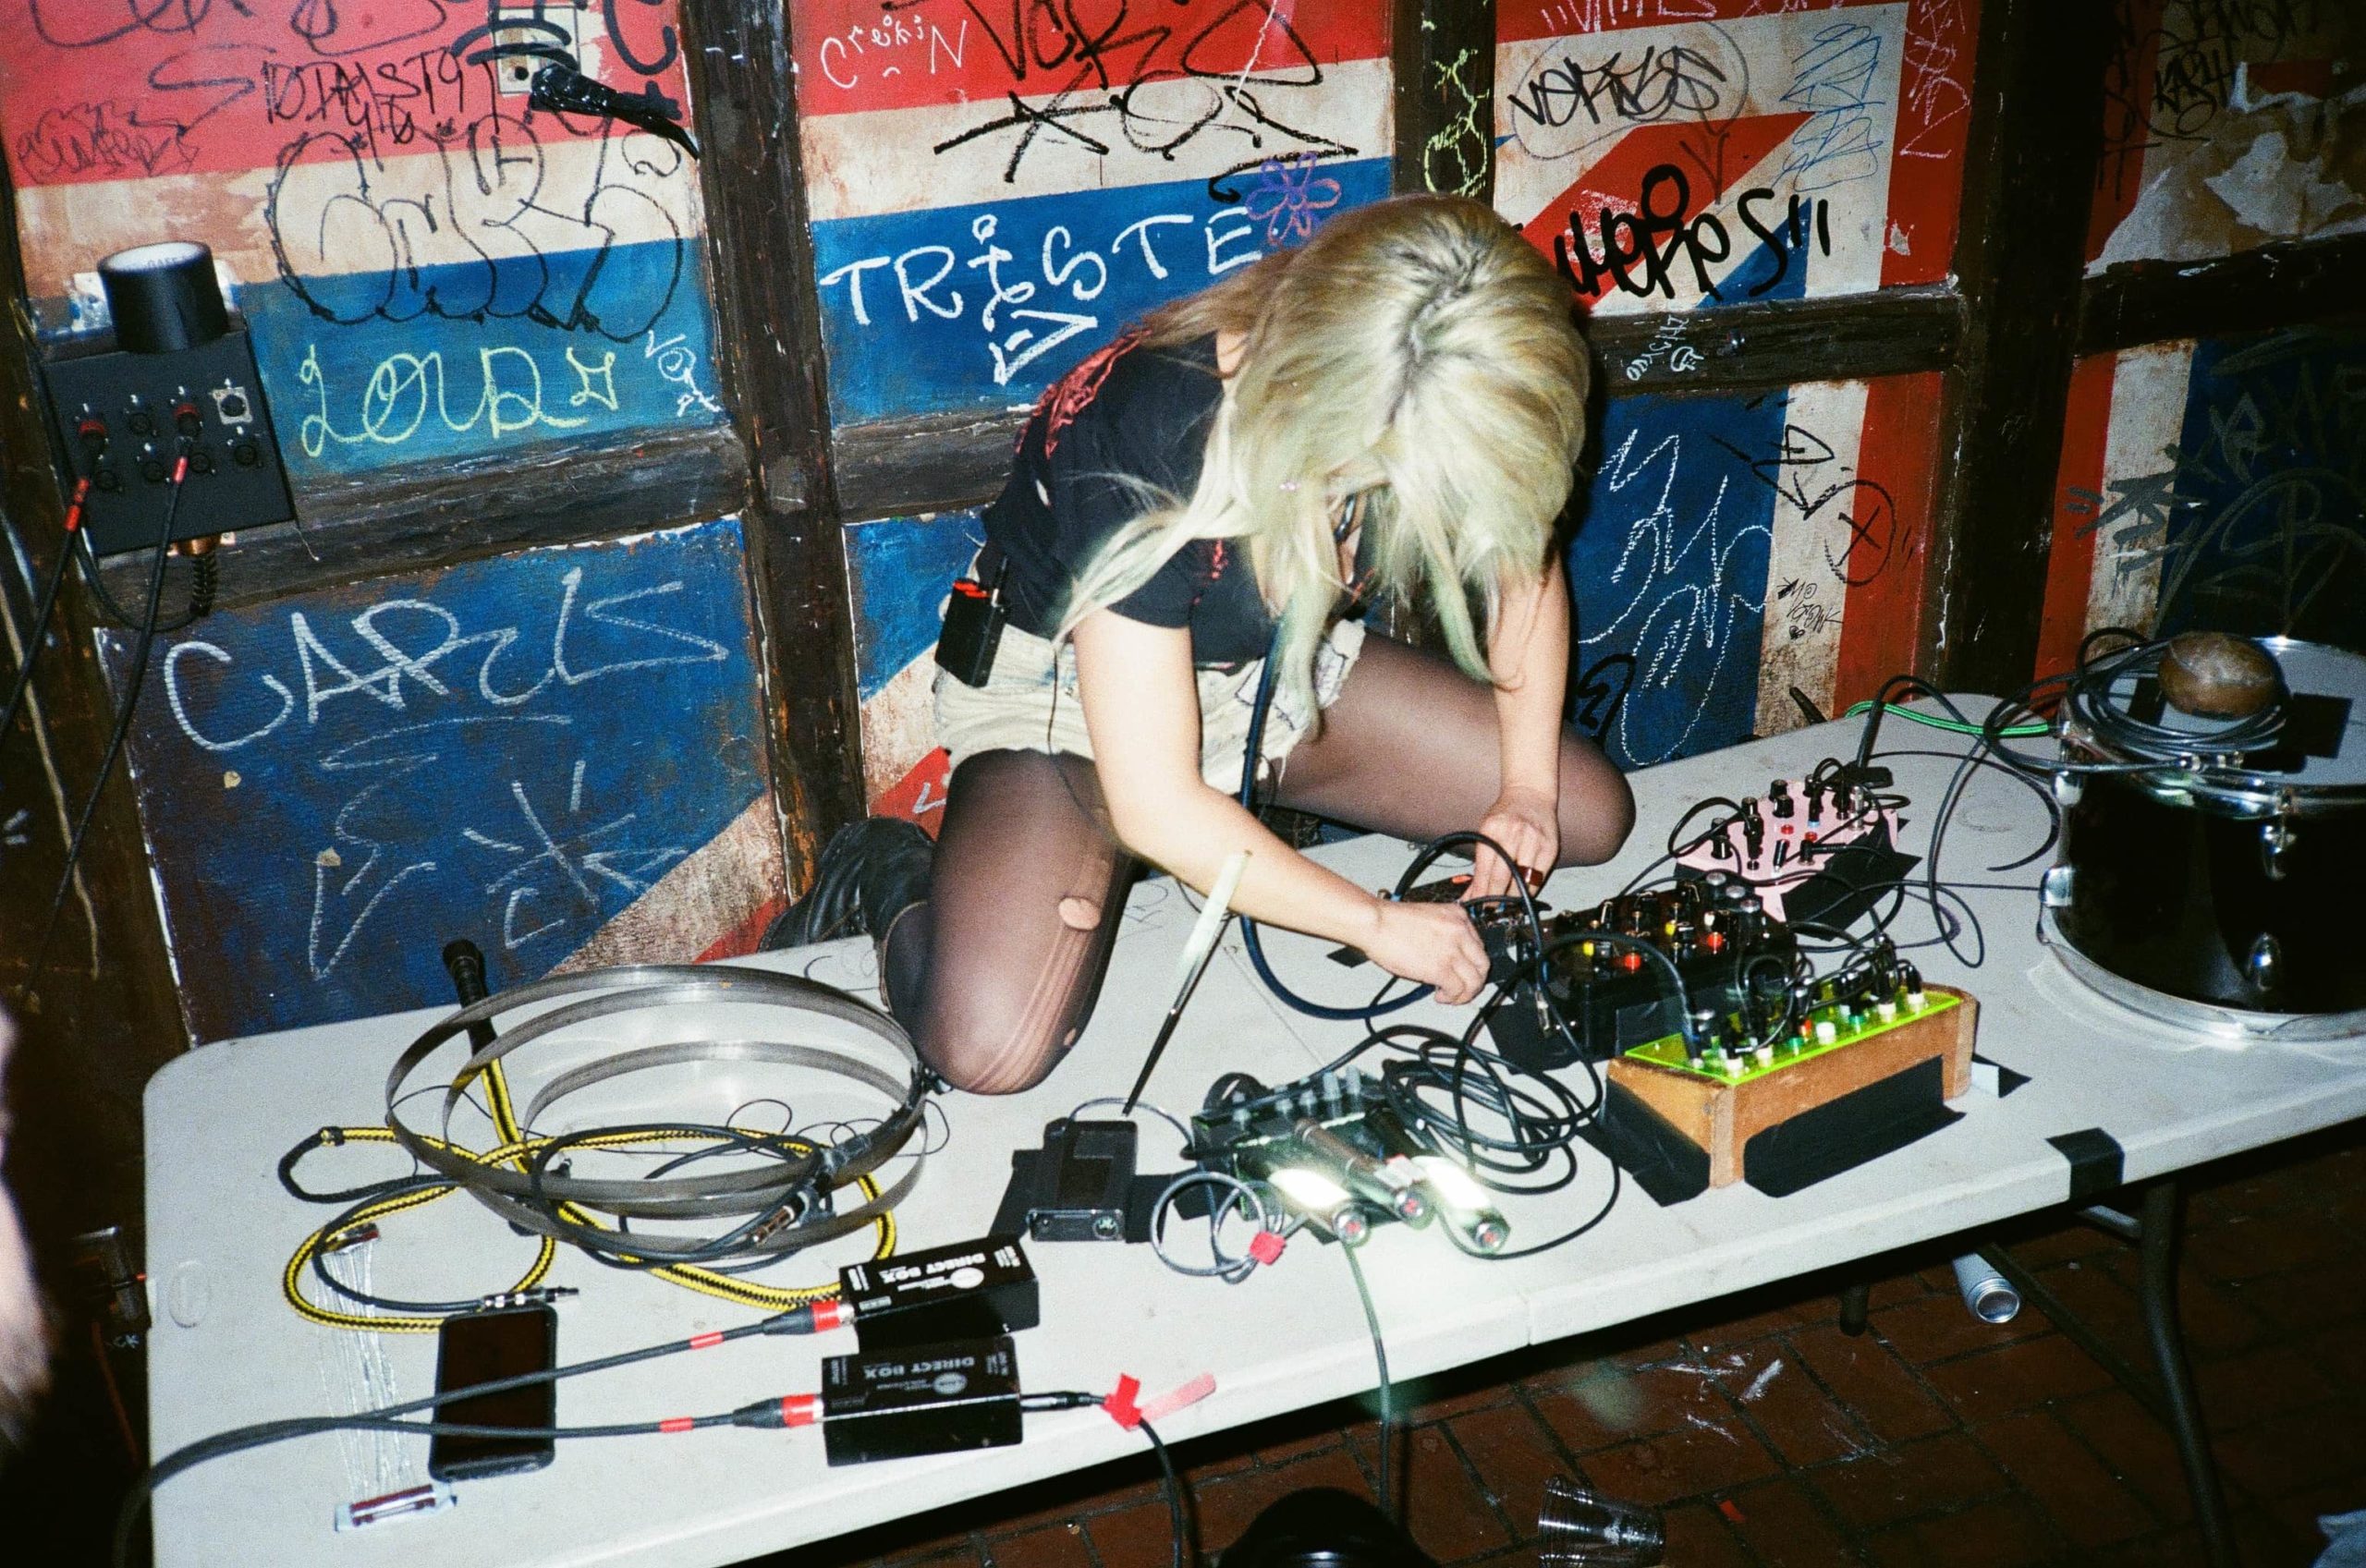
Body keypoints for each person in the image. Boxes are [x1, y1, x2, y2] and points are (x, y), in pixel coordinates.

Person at [774, 194, 1635, 1093]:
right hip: (1068, 697)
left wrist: (1527, 790)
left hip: (1272, 668)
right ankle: (885, 871)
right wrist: (1377, 924)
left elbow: (1521, 565)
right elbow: (1157, 805)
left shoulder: (1441, 369)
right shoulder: (1151, 429)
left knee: (1584, 814)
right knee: (989, 1047)